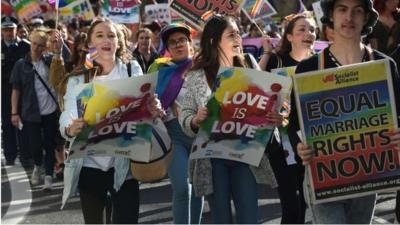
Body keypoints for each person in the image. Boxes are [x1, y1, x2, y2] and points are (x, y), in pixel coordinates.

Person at [288, 0, 400, 223]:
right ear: (331, 14)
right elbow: (294, 125)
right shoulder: (309, 68)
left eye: (357, 11)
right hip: (323, 177)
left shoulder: (383, 65)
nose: (349, 17)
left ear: (366, 18)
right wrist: (299, 146)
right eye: (342, 9)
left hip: (369, 177)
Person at [59, 18, 161, 224]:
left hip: (124, 166)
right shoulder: (78, 79)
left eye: (111, 35)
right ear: (90, 45)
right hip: (89, 164)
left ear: (118, 42)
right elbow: (67, 113)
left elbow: (146, 106)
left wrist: (153, 108)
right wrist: (69, 128)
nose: (107, 39)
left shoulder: (132, 69)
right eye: (100, 35)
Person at [178, 15, 278, 223]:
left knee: (249, 216)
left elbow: (269, 103)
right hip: (212, 159)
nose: (238, 39)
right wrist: (196, 120)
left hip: (245, 156)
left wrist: (277, 114)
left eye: (238, 34)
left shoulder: (249, 65)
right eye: (231, 34)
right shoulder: (196, 75)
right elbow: (185, 115)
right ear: (214, 41)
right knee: (221, 218)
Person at [258, 12, 316, 224]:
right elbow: (252, 82)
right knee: (291, 203)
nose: (308, 33)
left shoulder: (319, 64)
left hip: (309, 140)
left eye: (312, 30)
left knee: (307, 202)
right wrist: (265, 53)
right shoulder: (276, 60)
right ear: (289, 36)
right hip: (280, 141)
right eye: (301, 29)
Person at [148, 23, 204, 224]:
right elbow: (150, 102)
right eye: (172, 42)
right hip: (174, 135)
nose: (178, 45)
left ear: (190, 43)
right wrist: (155, 109)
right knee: (182, 188)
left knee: (199, 187)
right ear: (167, 48)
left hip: (201, 134)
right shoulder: (160, 71)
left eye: (182, 40)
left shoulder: (203, 67)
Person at [10, 28, 59, 190]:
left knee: (49, 144)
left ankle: (49, 176)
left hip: (50, 111)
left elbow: (64, 63)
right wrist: (14, 113)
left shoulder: (51, 61)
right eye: (34, 44)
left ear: (45, 47)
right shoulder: (20, 65)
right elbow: (16, 90)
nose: (36, 47)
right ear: (30, 42)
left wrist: (59, 45)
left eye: (40, 45)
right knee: (35, 145)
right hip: (31, 112)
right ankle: (38, 166)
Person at [1, 16, 31, 167]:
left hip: (24, 91)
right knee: (7, 124)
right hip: (5, 92)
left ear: (16, 30)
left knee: (24, 124)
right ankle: (10, 155)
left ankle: (26, 156)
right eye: (5, 30)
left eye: (11, 29)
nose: (8, 33)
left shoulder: (26, 46)